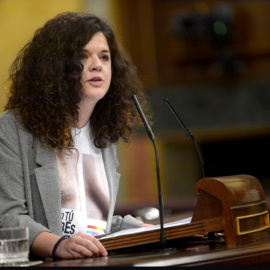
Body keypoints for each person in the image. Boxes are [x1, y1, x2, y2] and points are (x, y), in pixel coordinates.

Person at [0, 12, 152, 260]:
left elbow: (93, 222)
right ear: (55, 67)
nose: (97, 65)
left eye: (104, 57)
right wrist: (58, 245)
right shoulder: (13, 129)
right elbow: (7, 217)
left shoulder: (102, 134)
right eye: (83, 56)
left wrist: (166, 231)